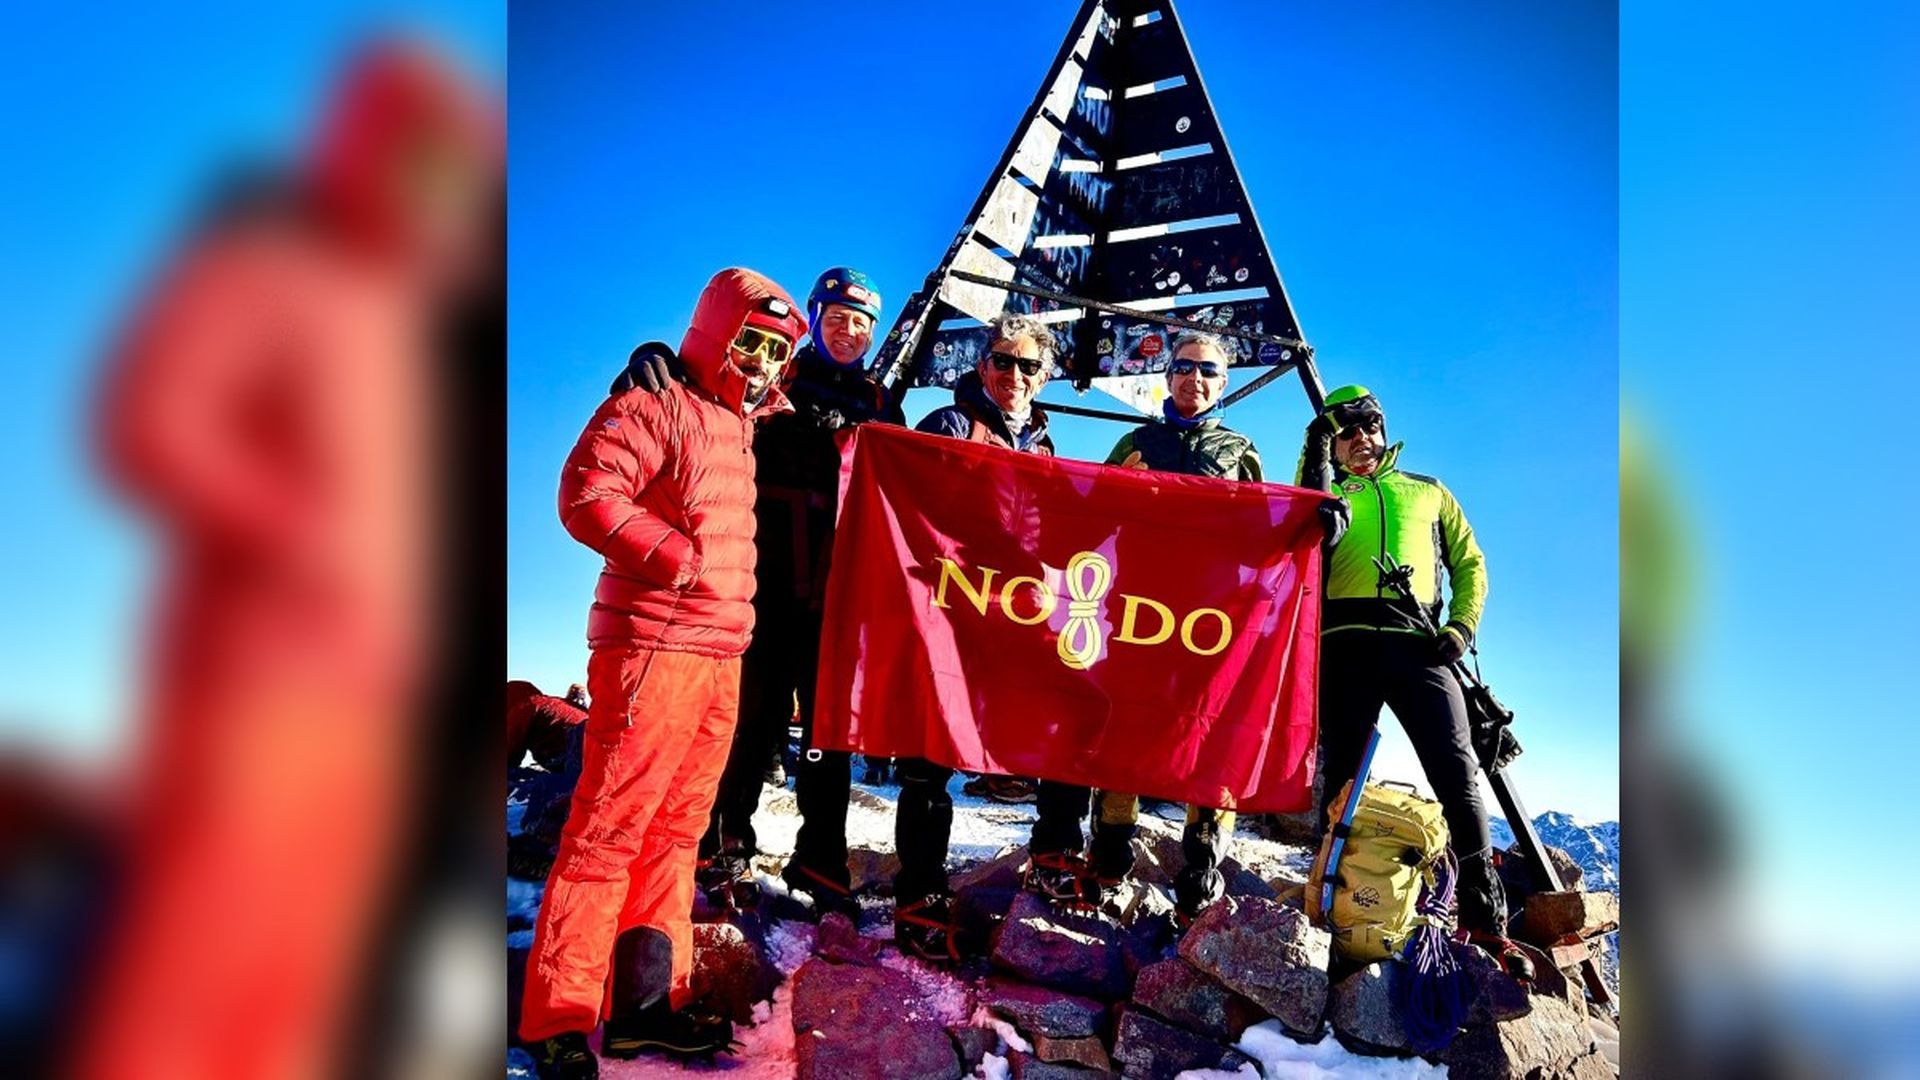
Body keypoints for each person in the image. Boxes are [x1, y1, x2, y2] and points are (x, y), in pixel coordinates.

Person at [81, 39, 498, 1080]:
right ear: (365, 146)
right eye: (418, 160)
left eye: (453, 172)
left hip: (371, 700)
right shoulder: (264, 266)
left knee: (301, 979)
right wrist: (299, 531)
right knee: (199, 957)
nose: (434, 192)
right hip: (257, 677)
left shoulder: (406, 315)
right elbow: (150, 420)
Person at [519, 268, 804, 1077]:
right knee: (607, 832)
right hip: (654, 648)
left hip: (720, 656)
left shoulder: (745, 424)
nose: (759, 362)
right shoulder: (657, 403)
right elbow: (586, 494)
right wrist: (677, 558)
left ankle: (645, 1008)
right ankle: (559, 1020)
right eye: (748, 341)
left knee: (677, 836)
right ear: (716, 333)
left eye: (774, 350)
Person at [613, 267, 902, 917]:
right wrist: (657, 358)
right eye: (836, 318)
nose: (849, 332)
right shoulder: (775, 373)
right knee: (751, 721)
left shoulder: (881, 403)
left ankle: (821, 857)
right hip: (757, 580)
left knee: (828, 732)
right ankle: (723, 843)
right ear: (815, 319)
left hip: (836, 589)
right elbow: (709, 382)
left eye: (861, 324)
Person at [1024, 331, 1266, 919]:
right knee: (1127, 726)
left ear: (1223, 382)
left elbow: (1264, 530)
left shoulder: (1240, 450)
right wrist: (1110, 493)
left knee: (1208, 734)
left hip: (1209, 618)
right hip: (1138, 612)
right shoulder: (1134, 442)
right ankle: (1110, 856)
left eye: (1207, 370)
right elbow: (1091, 519)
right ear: (1167, 374)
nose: (1194, 379)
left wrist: (1316, 519)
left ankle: (1200, 875)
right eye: (1183, 367)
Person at [1302, 385, 1520, 966]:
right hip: (1343, 645)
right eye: (1344, 431)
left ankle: (1485, 922)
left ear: (1384, 427)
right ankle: (1334, 906)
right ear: (1331, 443)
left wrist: (1461, 626)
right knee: (1342, 779)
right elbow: (1298, 533)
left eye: (1369, 425)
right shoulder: (1325, 494)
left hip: (1420, 644)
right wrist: (1314, 450)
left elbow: (1469, 562)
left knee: (1456, 772)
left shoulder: (1428, 490)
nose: (1361, 438)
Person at [892, 312, 1058, 963]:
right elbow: (911, 503)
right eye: (1002, 360)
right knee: (930, 755)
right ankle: (919, 897)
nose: (1014, 374)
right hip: (951, 609)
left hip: (1014, 613)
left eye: (1027, 365)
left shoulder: (1043, 443)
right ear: (982, 365)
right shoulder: (950, 424)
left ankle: (1055, 857)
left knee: (1063, 722)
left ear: (1043, 376)